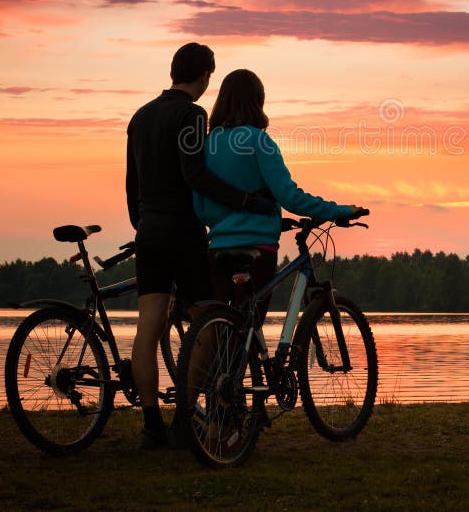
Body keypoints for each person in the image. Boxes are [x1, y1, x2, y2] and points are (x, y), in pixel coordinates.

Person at [126, 44, 276, 449]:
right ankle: (184, 420)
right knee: (209, 324)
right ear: (206, 75)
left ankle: (151, 425)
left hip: (149, 231)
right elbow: (196, 176)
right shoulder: (192, 116)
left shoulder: (140, 117)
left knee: (148, 326)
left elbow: (131, 185)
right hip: (184, 232)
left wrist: (143, 225)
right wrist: (245, 201)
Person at [193, 68, 363, 314]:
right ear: (257, 101)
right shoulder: (259, 140)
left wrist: (226, 223)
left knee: (223, 332)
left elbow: (199, 203)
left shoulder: (207, 143)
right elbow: (290, 197)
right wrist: (339, 210)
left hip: (218, 249)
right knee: (249, 330)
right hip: (258, 250)